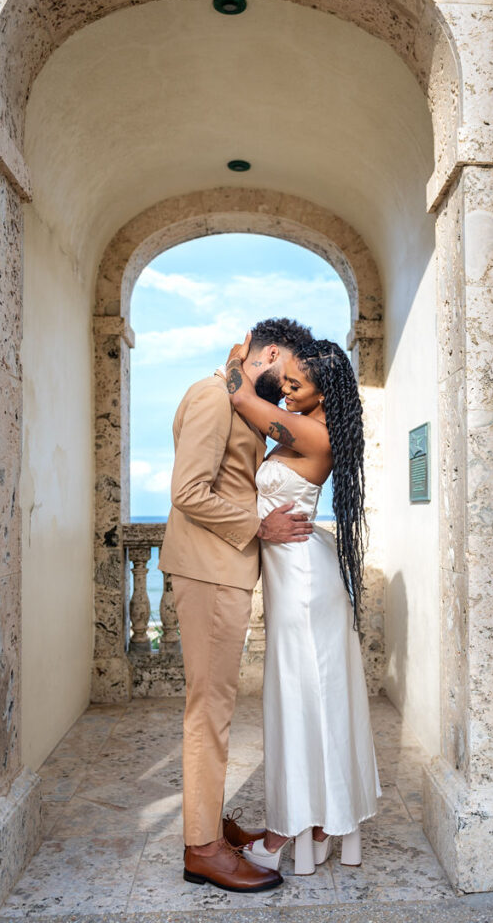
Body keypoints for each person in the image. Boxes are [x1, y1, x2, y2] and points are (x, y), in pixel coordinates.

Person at [158, 317, 314, 893]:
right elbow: (187, 490)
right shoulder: (209, 395)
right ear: (267, 351)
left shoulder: (234, 395)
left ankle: (211, 830)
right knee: (209, 713)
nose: (291, 380)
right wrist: (259, 525)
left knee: (215, 708)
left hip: (221, 570)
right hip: (207, 570)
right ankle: (202, 850)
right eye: (289, 369)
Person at [224, 333, 381, 875]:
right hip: (296, 572)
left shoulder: (316, 433)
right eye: (284, 384)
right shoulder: (310, 427)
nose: (286, 393)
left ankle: (283, 832)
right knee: (315, 700)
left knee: (301, 700)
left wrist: (236, 360)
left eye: (295, 384)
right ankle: (325, 825)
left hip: (305, 582)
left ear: (324, 391)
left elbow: (241, 398)